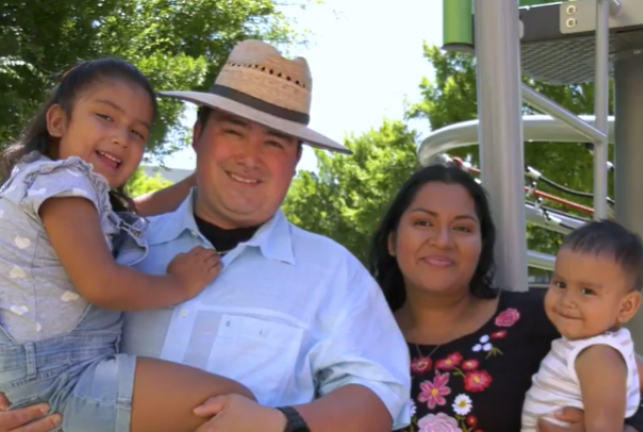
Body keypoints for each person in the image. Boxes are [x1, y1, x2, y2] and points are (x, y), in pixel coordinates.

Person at [0, 39, 411, 432]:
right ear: (197, 137)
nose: (250, 157)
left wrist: (282, 423)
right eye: (233, 132)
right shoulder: (119, 243)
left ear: (296, 160)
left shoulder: (333, 272)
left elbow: (378, 396)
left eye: (274, 142)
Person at [0, 56, 274, 432]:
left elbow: (140, 211)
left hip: (55, 372)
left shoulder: (57, 188)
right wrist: (178, 285)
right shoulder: (63, 182)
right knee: (231, 406)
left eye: (137, 132)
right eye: (106, 117)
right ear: (58, 122)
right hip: (60, 376)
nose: (121, 137)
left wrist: (216, 170)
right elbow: (100, 284)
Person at [368, 163, 643, 432]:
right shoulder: (359, 341)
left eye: (462, 228)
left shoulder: (552, 316)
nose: (443, 240)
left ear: (482, 246)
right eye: (423, 222)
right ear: (392, 241)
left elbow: (636, 394)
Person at [522, 220, 643, 432]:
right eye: (560, 284)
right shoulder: (603, 347)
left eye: (587, 291)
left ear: (625, 307)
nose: (567, 299)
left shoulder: (597, 356)